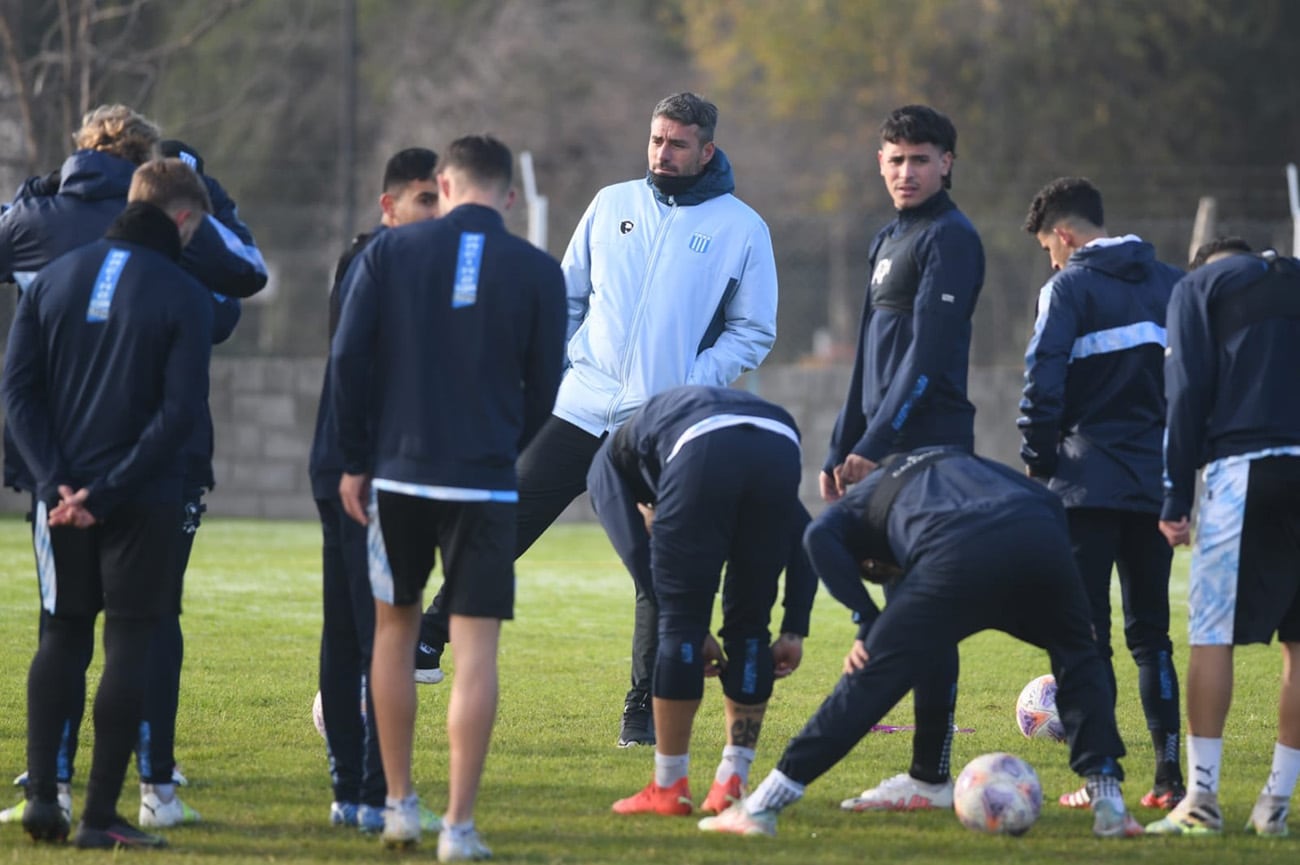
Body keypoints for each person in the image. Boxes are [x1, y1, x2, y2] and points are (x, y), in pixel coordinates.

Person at [414, 91, 780, 747]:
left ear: (706, 150)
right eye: (655, 138)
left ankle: (640, 710)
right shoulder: (612, 204)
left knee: (656, 569)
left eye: (675, 143)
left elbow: (754, 331)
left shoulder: (741, 227)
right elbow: (568, 296)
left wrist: (686, 384)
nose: (661, 152)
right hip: (578, 409)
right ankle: (430, 634)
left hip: (658, 429)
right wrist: (554, 374)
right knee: (502, 518)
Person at [0, 108, 264, 830]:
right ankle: (101, 814)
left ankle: (44, 799)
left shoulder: (51, 278)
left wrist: (57, 482)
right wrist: (108, 488)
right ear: (182, 220)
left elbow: (16, 390)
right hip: (142, 493)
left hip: (59, 496)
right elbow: (178, 411)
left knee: (61, 634)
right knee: (132, 639)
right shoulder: (183, 290)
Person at [699, 447, 1145, 840]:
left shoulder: (854, 506)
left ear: (870, 560)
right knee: (1080, 658)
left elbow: (815, 537)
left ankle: (762, 806)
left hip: (956, 553)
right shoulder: (944, 458)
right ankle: (1109, 804)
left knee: (868, 679)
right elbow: (1048, 500)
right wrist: (1068, 604)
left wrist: (868, 620)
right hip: (1040, 537)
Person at [330, 134, 566, 859]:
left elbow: (348, 358)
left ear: (444, 183)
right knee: (475, 650)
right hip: (485, 479)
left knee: (394, 634)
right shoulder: (537, 270)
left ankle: (399, 806)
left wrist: (354, 458)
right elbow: (546, 389)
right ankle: (458, 827)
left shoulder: (389, 252)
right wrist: (500, 439)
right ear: (511, 196)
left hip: (398, 472)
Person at [820, 104, 984, 812]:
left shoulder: (954, 238)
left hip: (933, 449)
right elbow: (871, 357)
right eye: (894, 159)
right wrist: (840, 444)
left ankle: (929, 775)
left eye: (920, 158)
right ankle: (927, 776)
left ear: (947, 161)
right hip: (883, 451)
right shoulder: (889, 237)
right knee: (906, 605)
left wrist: (874, 444)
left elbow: (930, 353)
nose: (906, 171)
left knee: (926, 610)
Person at [1018, 176, 1185, 811]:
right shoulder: (1172, 283)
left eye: (1046, 249)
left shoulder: (1066, 288)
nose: (1050, 260)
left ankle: (1102, 779)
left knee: (1087, 638)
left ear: (1063, 236)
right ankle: (1169, 777)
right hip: (1153, 482)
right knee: (1153, 637)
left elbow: (1042, 385)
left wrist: (1038, 462)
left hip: (1082, 487)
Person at [586, 385, 815, 816]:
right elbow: (805, 536)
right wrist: (793, 630)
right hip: (780, 438)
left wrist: (687, 623)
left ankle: (669, 787)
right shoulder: (660, 433)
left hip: (701, 445)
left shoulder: (607, 464)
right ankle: (733, 781)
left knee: (679, 628)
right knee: (750, 630)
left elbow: (637, 551)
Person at [307, 147, 442, 832]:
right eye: (424, 198)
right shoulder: (381, 265)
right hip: (362, 468)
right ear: (389, 207)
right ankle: (363, 784)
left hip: (345, 462)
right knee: (371, 630)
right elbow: (358, 368)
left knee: (353, 627)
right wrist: (361, 461)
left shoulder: (373, 260)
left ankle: (353, 786)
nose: (436, 209)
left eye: (439, 196)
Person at [1145, 241, 1300, 837]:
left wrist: (1175, 500)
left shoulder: (1197, 289)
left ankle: (1202, 801)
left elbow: (1185, 393)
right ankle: (1275, 806)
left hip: (1247, 469)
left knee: (1212, 635)